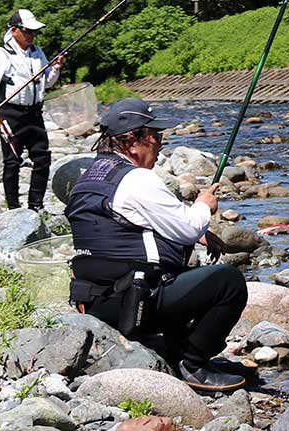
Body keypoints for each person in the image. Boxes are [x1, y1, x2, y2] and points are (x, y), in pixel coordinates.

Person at [65, 98, 248, 393]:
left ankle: (173, 348)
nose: (161, 144)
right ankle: (193, 363)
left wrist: (197, 235)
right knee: (229, 281)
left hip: (98, 303)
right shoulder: (136, 180)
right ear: (133, 141)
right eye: (156, 136)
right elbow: (188, 225)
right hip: (135, 304)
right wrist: (204, 206)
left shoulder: (89, 178)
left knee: (175, 267)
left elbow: (125, 229)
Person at [0, 9, 64, 210]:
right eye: (27, 31)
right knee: (12, 161)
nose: (32, 35)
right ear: (14, 31)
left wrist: (55, 68)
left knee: (42, 159)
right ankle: (13, 207)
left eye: (34, 32)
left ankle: (36, 206)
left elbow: (46, 82)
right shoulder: (2, 54)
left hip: (35, 114)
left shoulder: (38, 52)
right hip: (10, 114)